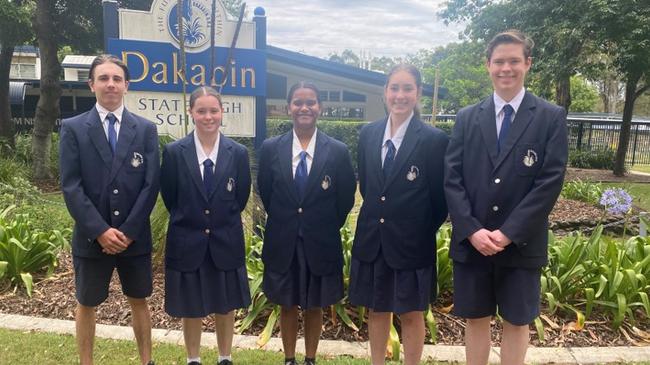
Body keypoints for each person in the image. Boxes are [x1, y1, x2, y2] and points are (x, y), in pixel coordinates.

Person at [444, 30, 568, 365]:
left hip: (521, 243)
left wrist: (508, 232)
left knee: (516, 320)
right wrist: (471, 229)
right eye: (499, 61)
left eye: (514, 60)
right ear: (488, 65)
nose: (506, 68)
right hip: (474, 242)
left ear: (528, 63)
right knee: (476, 318)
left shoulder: (549, 117)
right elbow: (452, 178)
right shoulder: (467, 117)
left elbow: (550, 182)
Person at [59, 54, 160, 365]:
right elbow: (71, 186)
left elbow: (150, 185)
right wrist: (101, 231)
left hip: (134, 238)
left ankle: (147, 361)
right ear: (92, 85)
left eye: (117, 79)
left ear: (127, 85)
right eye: (103, 78)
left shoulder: (145, 129)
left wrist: (128, 231)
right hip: (92, 239)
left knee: (139, 300)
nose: (111, 84)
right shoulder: (74, 128)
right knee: (86, 303)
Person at [349, 64, 449, 365]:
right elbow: (368, 185)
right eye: (394, 88)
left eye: (407, 89)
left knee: (411, 313)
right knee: (377, 310)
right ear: (385, 92)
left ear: (418, 92)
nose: (400, 95)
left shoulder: (433, 139)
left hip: (412, 242)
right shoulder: (368, 134)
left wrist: (414, 228)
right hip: (373, 239)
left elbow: (439, 201)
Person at [257, 81, 356, 365]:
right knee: (287, 304)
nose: (304, 108)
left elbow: (345, 198)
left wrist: (321, 224)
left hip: (320, 242)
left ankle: (310, 358)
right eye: (298, 102)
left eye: (310, 102)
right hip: (283, 241)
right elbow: (266, 190)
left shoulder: (337, 151)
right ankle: (289, 358)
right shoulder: (270, 148)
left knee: (315, 306)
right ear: (288, 108)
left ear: (320, 108)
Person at [160, 86, 252, 365]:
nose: (208, 116)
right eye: (201, 111)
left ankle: (225, 356)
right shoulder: (175, 152)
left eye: (214, 110)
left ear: (222, 113)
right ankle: (193, 359)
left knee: (225, 306)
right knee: (191, 306)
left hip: (225, 241)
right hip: (188, 241)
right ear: (191, 113)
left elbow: (241, 196)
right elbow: (170, 197)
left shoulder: (237, 153)